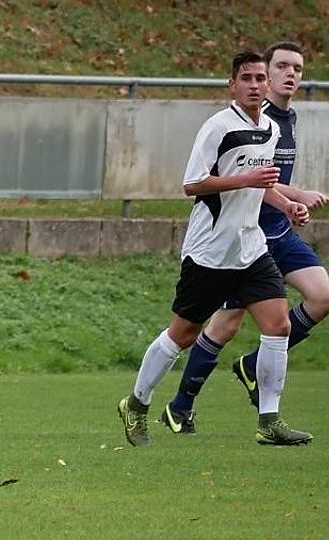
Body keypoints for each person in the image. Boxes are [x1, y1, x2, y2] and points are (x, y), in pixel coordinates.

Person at [116, 51, 313, 447]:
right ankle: (136, 404)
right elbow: (192, 184)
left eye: (260, 78)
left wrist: (287, 205)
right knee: (183, 334)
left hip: (251, 248)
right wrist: (246, 179)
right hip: (211, 252)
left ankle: (269, 420)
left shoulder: (270, 128)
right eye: (247, 78)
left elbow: (262, 185)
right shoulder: (218, 127)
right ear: (232, 85)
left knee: (279, 326)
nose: (255, 85)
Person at [159, 42, 329, 434]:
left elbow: (267, 179)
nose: (290, 74)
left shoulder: (285, 119)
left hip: (278, 233)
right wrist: (295, 195)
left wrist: (292, 203)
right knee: (224, 326)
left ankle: (253, 368)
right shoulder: (248, 120)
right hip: (243, 239)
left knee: (321, 296)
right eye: (282, 66)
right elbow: (243, 178)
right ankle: (179, 406)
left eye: (297, 68)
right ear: (266, 75)